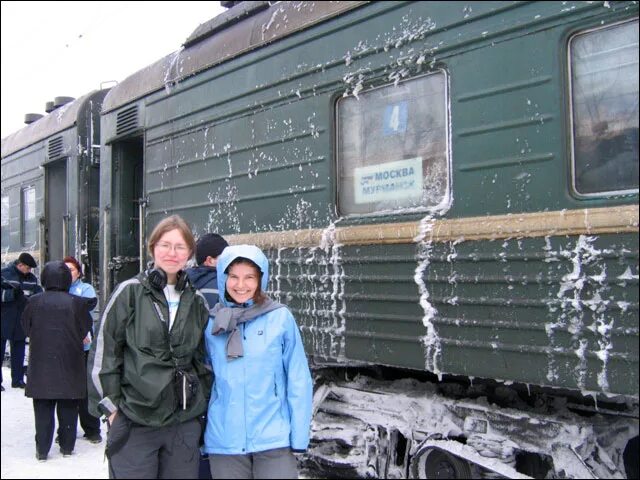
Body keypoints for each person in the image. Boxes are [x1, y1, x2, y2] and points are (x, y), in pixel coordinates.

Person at [88, 214, 211, 479]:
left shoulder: (197, 301)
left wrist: (199, 407)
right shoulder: (129, 293)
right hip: (135, 421)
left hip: (182, 424)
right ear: (152, 247)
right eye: (165, 245)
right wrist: (112, 411)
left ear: (189, 252)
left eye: (180, 247)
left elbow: (202, 361)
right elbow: (104, 355)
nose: (172, 253)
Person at [203, 244, 313, 479]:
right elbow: (202, 381)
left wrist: (299, 437)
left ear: (261, 279)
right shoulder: (211, 322)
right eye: (233, 276)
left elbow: (298, 378)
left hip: (273, 439)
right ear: (223, 278)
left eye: (249, 277)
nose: (240, 285)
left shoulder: (279, 317)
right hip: (225, 442)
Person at [21, 261, 92, 461]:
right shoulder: (77, 302)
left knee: (42, 410)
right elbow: (85, 328)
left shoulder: (34, 301)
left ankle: (42, 450)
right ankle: (67, 447)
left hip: (41, 362)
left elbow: (25, 327)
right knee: (68, 407)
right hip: (70, 362)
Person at [185, 233, 228, 480]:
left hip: (189, 377)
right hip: (214, 375)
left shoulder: (185, 284)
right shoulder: (221, 287)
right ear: (211, 260)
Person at [63, 256, 102, 444]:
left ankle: (92, 429)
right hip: (64, 347)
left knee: (87, 390)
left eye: (71, 269)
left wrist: (82, 331)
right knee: (66, 390)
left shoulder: (86, 289)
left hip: (83, 346)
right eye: (65, 269)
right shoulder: (57, 290)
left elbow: (86, 313)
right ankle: (65, 429)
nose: (68, 273)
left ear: (79, 272)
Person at [1, 252, 43, 391]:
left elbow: (37, 294)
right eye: (28, 268)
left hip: (21, 319)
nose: (29, 271)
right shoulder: (4, 274)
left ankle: (18, 379)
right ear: (20, 265)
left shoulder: (31, 279)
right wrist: (11, 294)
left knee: (19, 351)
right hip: (4, 318)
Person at [186, 233, 229, 309]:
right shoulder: (222, 285)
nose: (230, 261)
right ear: (210, 260)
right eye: (226, 256)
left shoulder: (185, 280)